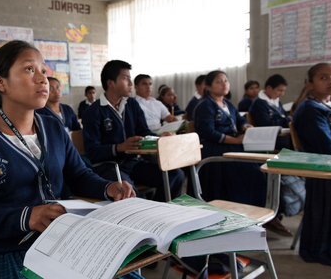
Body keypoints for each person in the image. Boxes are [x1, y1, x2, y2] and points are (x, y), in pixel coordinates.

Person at [0, 41, 138, 279]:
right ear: (0, 83)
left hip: (54, 240)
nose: (43, 79)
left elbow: (78, 175)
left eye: (44, 71)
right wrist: (27, 217)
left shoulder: (53, 127)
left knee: (126, 272)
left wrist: (107, 187)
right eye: (29, 69)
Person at [82, 60, 184, 202]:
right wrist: (120, 147)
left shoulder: (132, 104)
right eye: (125, 78)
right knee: (129, 192)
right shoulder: (93, 111)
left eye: (130, 78)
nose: (130, 83)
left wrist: (159, 138)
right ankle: (147, 216)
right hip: (108, 167)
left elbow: (143, 132)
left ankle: (159, 212)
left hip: (132, 163)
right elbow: (92, 151)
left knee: (175, 175)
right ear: (110, 83)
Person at [194, 70, 267, 206]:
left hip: (233, 146)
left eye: (226, 81)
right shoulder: (205, 105)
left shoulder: (227, 104)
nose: (224, 84)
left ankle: (254, 208)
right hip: (215, 149)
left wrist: (246, 126)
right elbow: (207, 132)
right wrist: (235, 140)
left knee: (261, 169)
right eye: (219, 81)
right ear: (208, 87)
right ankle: (239, 208)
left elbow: (240, 120)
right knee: (252, 173)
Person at [293, 62, 331, 266]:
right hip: (323, 170)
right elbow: (327, 147)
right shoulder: (310, 109)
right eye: (324, 77)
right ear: (310, 84)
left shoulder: (326, 105)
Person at [249, 75, 302, 235]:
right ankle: (277, 210)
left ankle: (286, 206)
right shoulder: (259, 104)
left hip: (282, 142)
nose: (281, 94)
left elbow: (284, 120)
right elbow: (267, 125)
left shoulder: (274, 102)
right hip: (270, 145)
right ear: (269, 88)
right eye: (279, 90)